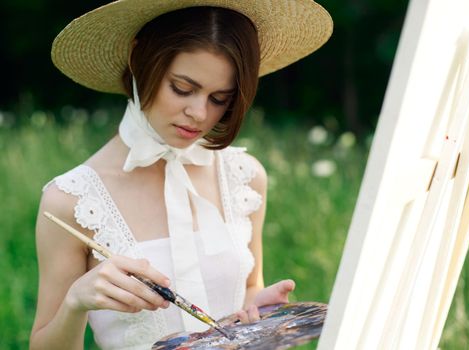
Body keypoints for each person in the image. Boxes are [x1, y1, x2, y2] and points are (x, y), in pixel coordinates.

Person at [30, 1, 332, 349]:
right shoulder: (72, 200)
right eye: (182, 89)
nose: (199, 113)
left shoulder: (245, 177)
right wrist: (76, 301)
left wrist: (257, 311)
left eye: (220, 98)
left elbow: (248, 288)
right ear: (138, 59)